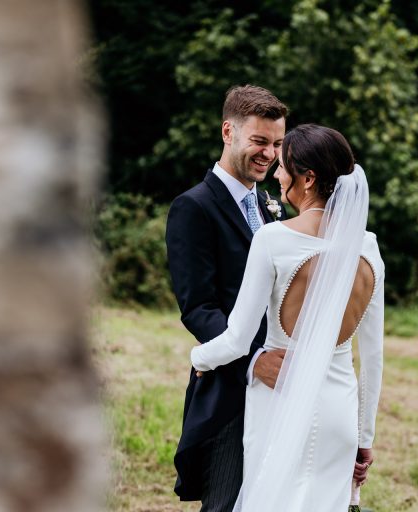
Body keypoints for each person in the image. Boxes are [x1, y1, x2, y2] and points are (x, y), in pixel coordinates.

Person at [190, 124, 385, 511]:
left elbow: (237, 339)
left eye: (283, 166)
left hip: (279, 406)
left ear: (307, 179)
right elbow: (373, 358)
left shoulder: (274, 239)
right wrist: (364, 437)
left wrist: (199, 357)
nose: (277, 174)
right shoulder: (368, 248)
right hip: (339, 413)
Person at [166, 85, 289, 511]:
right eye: (259, 141)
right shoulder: (194, 207)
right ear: (228, 132)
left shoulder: (272, 206)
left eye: (277, 144)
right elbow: (198, 308)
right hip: (230, 387)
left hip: (280, 386)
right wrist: (255, 361)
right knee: (225, 501)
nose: (269, 154)